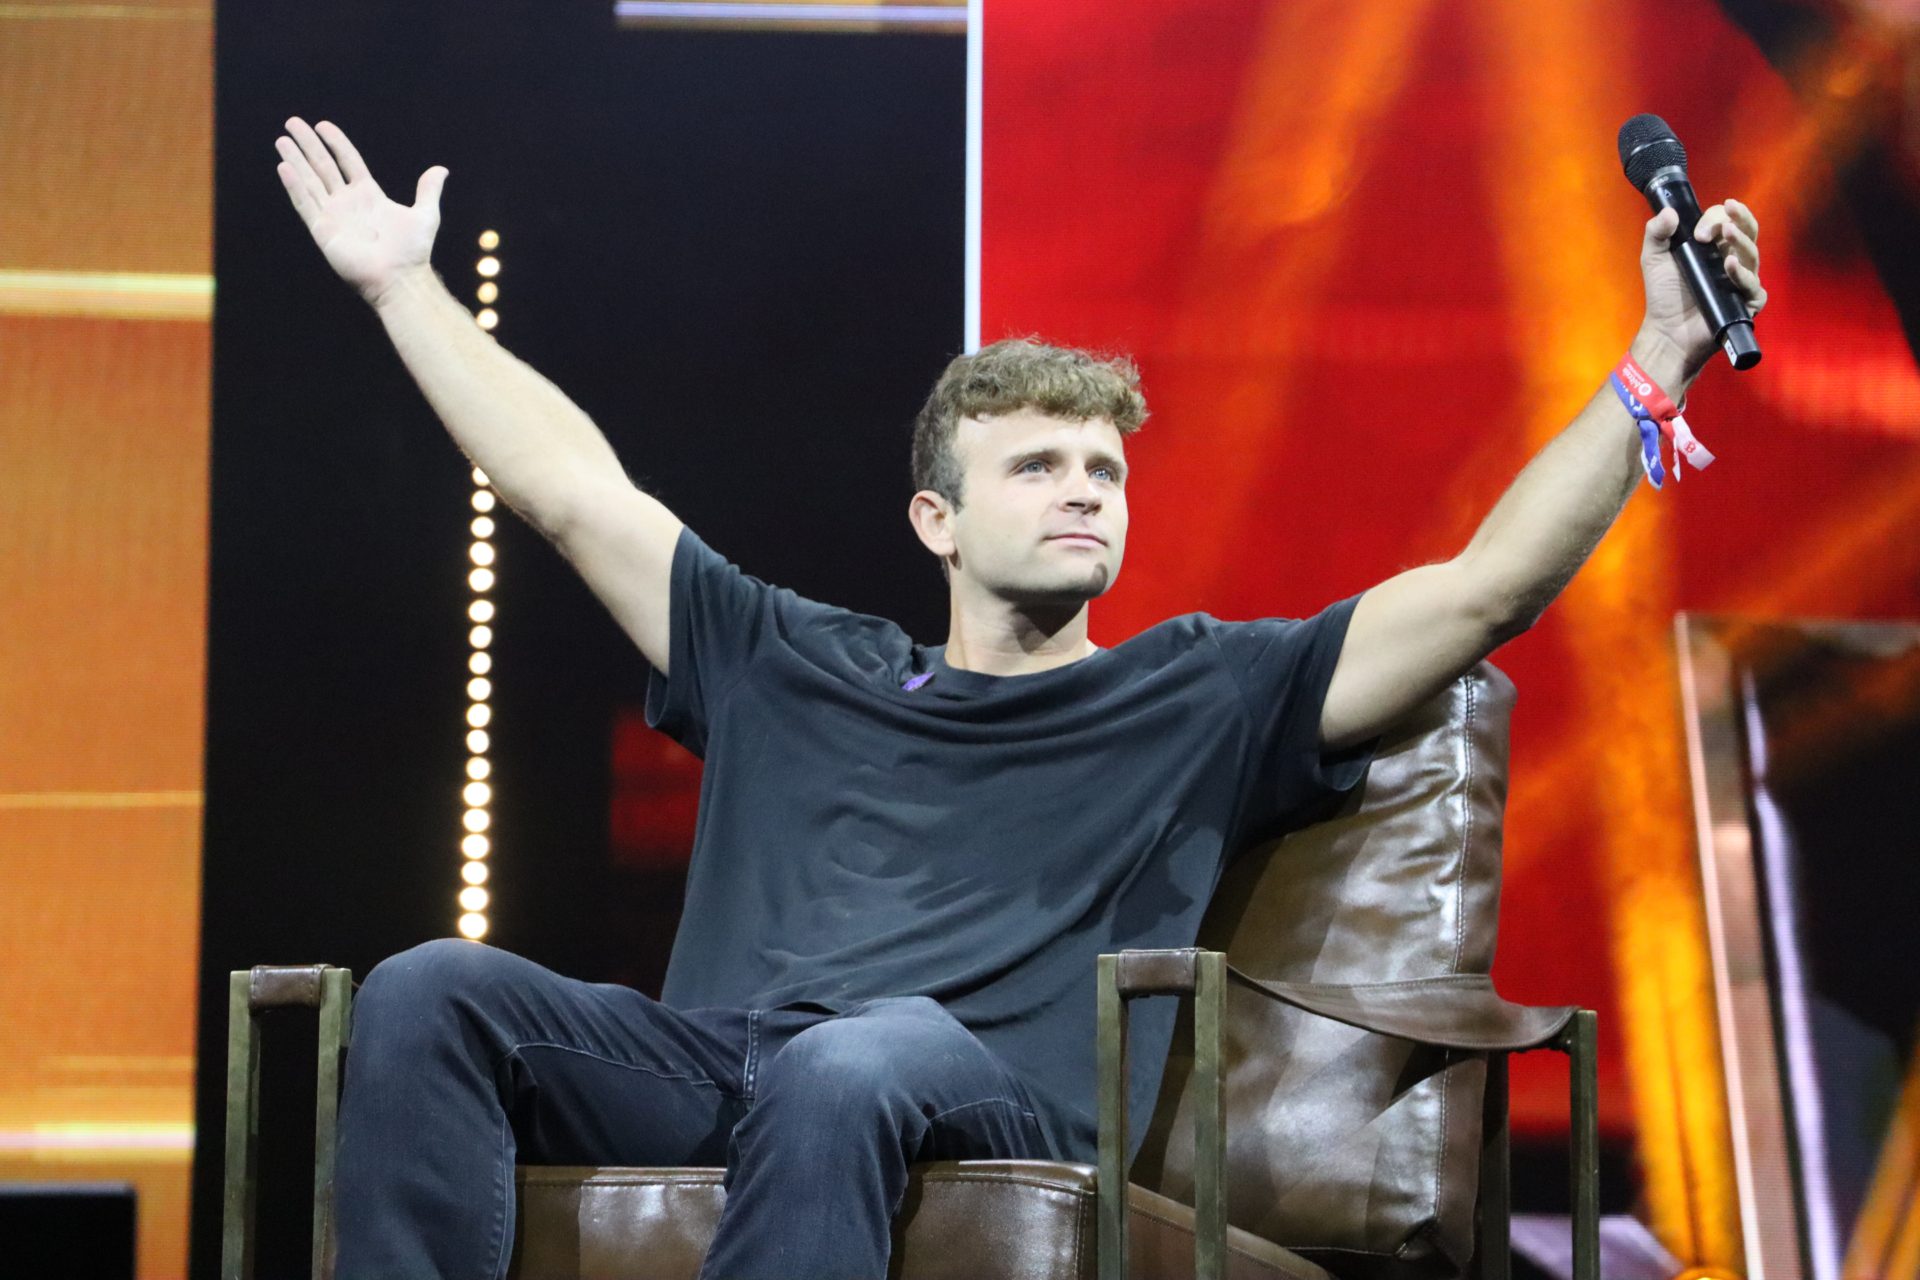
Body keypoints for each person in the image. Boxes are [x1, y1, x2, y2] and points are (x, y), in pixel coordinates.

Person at [271, 116, 1767, 1280]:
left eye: (1105, 469)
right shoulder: (786, 656)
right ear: (936, 519)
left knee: (853, 1057)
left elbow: (1484, 589)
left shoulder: (1199, 690)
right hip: (734, 1065)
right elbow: (569, 494)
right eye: (1039, 466)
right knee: (429, 991)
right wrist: (402, 286)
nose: (1085, 491)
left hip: (977, 1092)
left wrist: (1658, 361)